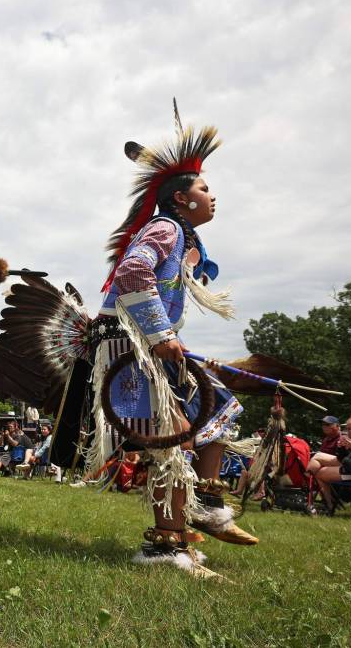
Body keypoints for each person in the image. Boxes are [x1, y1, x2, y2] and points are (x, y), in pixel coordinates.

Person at [85, 104, 257, 578]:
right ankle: (166, 548)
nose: (212, 196)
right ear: (181, 199)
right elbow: (132, 271)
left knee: (217, 413)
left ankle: (201, 508)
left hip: (150, 344)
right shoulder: (164, 228)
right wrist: (161, 335)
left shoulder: (180, 236)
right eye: (204, 188)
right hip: (127, 345)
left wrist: (167, 337)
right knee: (171, 440)